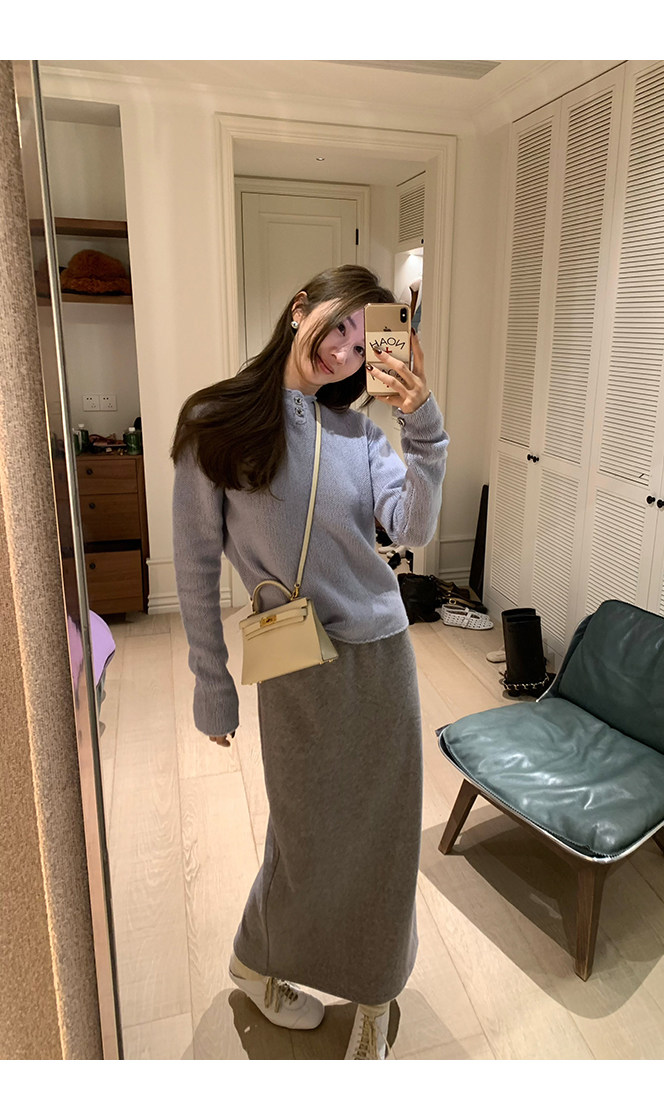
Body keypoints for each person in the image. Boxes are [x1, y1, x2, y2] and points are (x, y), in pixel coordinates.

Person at [171, 264, 449, 1059]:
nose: (345, 352)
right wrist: (211, 685)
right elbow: (194, 562)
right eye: (340, 326)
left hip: (381, 665)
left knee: (385, 840)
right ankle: (257, 959)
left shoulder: (361, 438)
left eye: (364, 346)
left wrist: (423, 427)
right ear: (301, 308)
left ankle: (374, 993)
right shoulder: (216, 422)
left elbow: (412, 527)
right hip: (294, 664)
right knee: (303, 840)